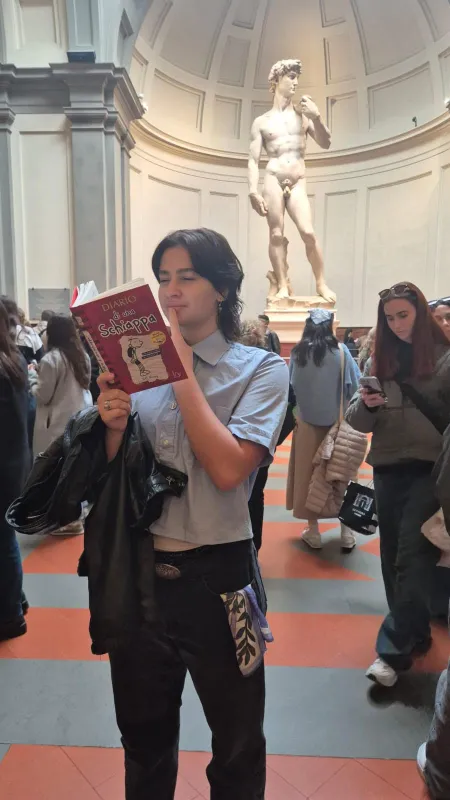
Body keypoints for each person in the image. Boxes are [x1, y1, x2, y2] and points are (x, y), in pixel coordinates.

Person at [96, 228, 288, 799]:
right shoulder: (137, 371)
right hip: (141, 578)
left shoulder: (261, 370)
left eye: (187, 276)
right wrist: (110, 427)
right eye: (162, 278)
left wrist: (178, 371)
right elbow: (119, 477)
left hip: (222, 581)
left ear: (223, 289)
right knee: (144, 741)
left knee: (235, 743)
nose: (171, 291)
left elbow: (230, 471)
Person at [346, 282, 450, 687]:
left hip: (431, 470)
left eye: (403, 315)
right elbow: (356, 421)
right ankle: (415, 632)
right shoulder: (379, 360)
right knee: (391, 559)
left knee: (412, 556)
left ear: (420, 313)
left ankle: (390, 652)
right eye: (389, 318)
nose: (396, 324)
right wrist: (366, 405)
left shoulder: (443, 360)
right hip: (387, 467)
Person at [248, 58, 335, 302]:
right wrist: (252, 191)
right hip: (273, 178)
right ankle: (283, 284)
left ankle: (321, 283)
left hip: (297, 180)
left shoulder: (303, 116)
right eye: (291, 77)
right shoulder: (262, 122)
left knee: (308, 232)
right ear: (276, 80)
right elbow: (253, 159)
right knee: (276, 234)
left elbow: (326, 143)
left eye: (297, 77)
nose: (296, 82)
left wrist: (317, 117)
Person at [287, 309, 360, 551]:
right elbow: (354, 386)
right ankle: (347, 532)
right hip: (338, 424)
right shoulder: (341, 351)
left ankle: (314, 530)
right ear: (330, 326)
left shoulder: (297, 354)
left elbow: (291, 389)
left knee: (308, 477)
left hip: (306, 425)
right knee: (342, 474)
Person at [240, 320, 296, 551]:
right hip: (261, 443)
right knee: (256, 495)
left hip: (241, 441)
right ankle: (255, 545)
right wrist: (273, 439)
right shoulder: (271, 363)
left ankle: (245, 545)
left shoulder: (248, 363)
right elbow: (292, 405)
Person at [0, 299, 30, 642]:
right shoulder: (14, 360)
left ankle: (9, 615)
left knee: (3, 540)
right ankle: (15, 600)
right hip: (14, 460)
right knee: (5, 538)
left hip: (4, 465)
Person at [32, 315, 92, 456]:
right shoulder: (83, 356)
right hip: (81, 417)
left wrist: (32, 380)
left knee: (51, 467)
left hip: (56, 425)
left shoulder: (51, 359)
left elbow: (43, 396)